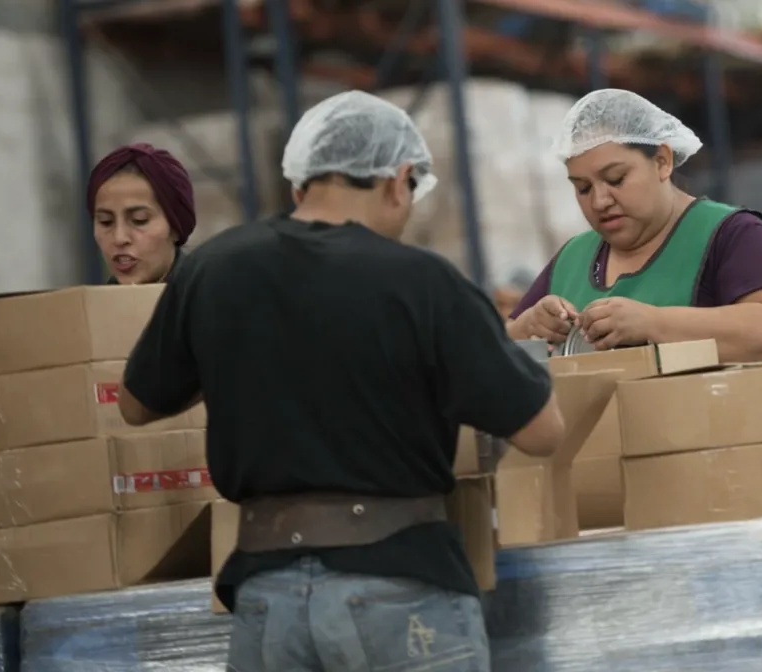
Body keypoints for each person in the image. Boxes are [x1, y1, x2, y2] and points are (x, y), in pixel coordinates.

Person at [116, 90, 565, 671]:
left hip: (265, 601)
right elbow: (543, 432)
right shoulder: (424, 282)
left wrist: (243, 356)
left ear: (302, 181)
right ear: (398, 179)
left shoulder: (211, 270)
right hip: (399, 590)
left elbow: (135, 404)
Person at [506, 89, 762, 362]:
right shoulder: (572, 259)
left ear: (662, 161)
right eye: (583, 188)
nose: (599, 201)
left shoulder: (730, 235)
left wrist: (653, 323)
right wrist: (525, 328)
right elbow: (492, 351)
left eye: (616, 179)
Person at [88, 143, 196, 284]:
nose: (119, 238)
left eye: (140, 220)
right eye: (105, 221)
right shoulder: (90, 304)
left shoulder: (213, 301)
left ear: (175, 227)